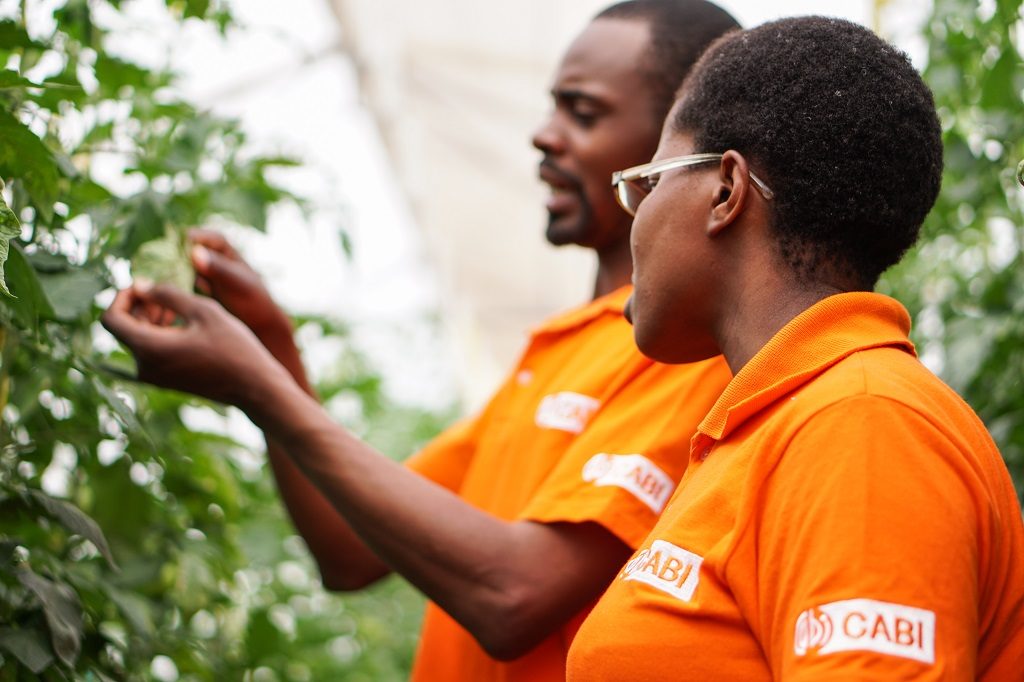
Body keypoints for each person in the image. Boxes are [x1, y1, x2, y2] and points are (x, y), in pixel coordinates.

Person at [102, 2, 739, 680]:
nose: (543, 136)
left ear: (674, 142)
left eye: (582, 114)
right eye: (553, 109)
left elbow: (514, 594)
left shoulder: (684, 350)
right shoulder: (560, 352)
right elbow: (349, 550)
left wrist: (254, 382)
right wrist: (270, 350)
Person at [565, 16, 1024, 680]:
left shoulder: (863, 426)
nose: (635, 220)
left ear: (725, 190)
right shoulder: (778, 425)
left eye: (647, 183)